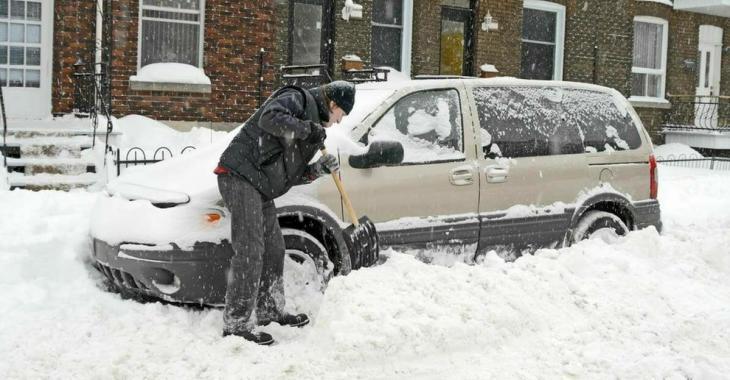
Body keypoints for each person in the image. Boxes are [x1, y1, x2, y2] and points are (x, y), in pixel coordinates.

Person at [213, 81, 356, 345]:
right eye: (341, 115)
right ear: (333, 104)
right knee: (251, 249)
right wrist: (307, 130)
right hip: (240, 176)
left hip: (260, 185)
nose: (338, 122)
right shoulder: (298, 99)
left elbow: (290, 173)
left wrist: (317, 170)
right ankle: (236, 323)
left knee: (275, 248)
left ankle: (270, 309)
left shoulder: (312, 130)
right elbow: (270, 118)